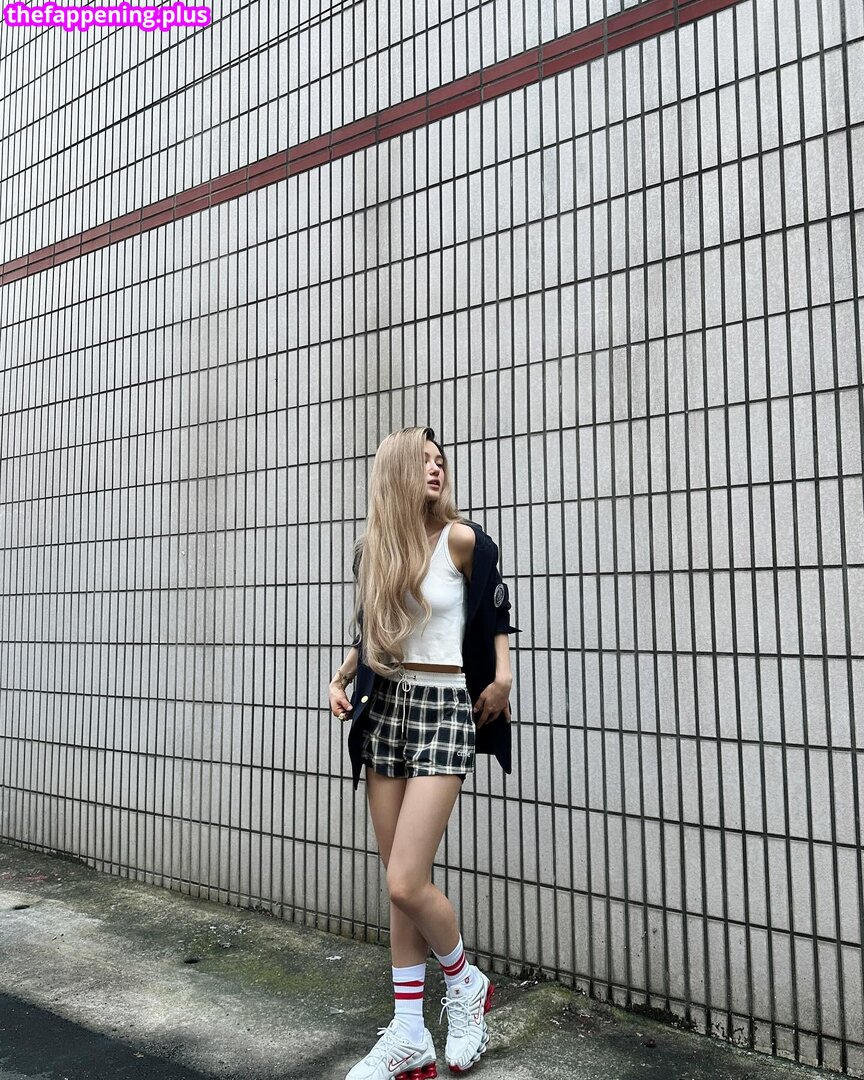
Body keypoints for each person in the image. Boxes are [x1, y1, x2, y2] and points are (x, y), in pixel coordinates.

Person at [328, 426, 520, 1079]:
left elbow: (495, 608)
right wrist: (343, 674)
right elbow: (375, 629)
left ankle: (464, 983)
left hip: (444, 709)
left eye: (441, 461)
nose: (436, 469)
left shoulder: (461, 540)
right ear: (397, 471)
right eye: (424, 461)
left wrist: (502, 675)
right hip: (386, 708)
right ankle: (410, 1031)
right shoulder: (374, 549)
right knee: (399, 884)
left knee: (405, 879)